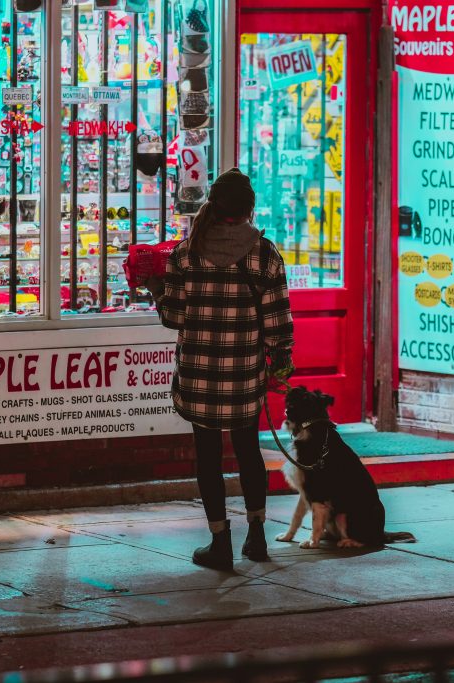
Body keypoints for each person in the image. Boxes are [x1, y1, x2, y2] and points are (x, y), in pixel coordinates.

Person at [148, 168, 294, 570]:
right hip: (245, 376)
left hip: (198, 377)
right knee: (249, 454)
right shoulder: (265, 253)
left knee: (208, 457)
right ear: (249, 209)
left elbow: (173, 317)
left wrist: (157, 291)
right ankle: (258, 537)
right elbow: (278, 325)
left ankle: (219, 542)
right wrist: (279, 361)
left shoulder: (185, 253)